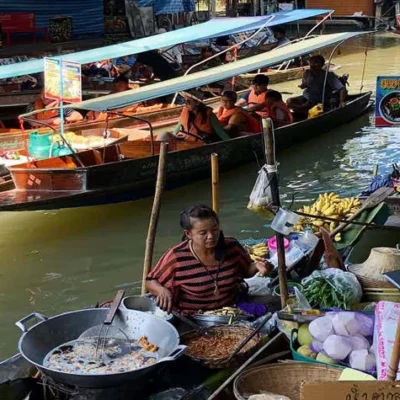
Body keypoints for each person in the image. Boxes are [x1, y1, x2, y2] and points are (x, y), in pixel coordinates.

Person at [146, 205, 272, 314]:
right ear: (189, 234)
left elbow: (245, 271)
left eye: (215, 230)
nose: (211, 237)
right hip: (193, 316)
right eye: (203, 233)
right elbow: (150, 281)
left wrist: (257, 266)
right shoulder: (177, 256)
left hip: (230, 310)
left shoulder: (232, 247)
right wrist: (161, 290)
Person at [158, 92, 231, 143]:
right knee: (163, 135)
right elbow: (176, 129)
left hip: (200, 143)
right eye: (185, 101)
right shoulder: (186, 113)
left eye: (188, 102)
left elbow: (220, 132)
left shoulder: (210, 115)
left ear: (197, 103)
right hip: (185, 140)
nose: (186, 104)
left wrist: (230, 142)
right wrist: (172, 137)